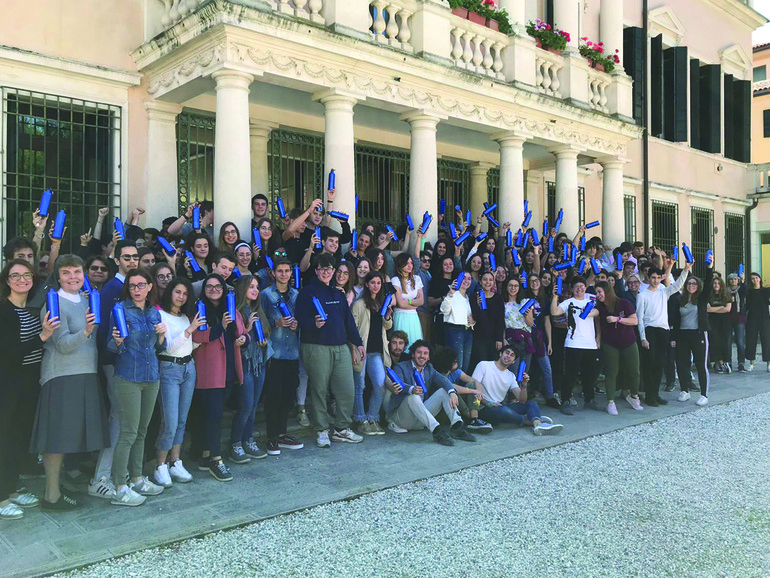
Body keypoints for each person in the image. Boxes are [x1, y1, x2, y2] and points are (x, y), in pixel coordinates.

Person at [32, 255, 108, 511]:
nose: (73, 277)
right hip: (61, 375)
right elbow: (62, 345)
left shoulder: (87, 300)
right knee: (56, 438)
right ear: (58, 276)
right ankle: (50, 495)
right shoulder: (53, 303)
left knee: (68, 437)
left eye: (77, 271)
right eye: (66, 273)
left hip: (86, 373)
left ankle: (57, 488)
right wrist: (85, 332)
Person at [0, 260, 59, 520]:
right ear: (7, 280)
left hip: (29, 382)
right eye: (15, 275)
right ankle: (2, 497)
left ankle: (11, 488)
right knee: (5, 438)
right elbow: (8, 353)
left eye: (26, 275)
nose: (21, 279)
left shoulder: (32, 310)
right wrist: (41, 338)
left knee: (18, 438)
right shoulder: (4, 312)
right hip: (9, 383)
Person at [106, 270, 167, 506]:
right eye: (132, 286)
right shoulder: (120, 310)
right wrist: (117, 341)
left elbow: (159, 349)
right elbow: (111, 346)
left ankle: (137, 478)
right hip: (128, 377)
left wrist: (161, 337)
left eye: (141, 285)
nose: (137, 289)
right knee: (129, 433)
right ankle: (120, 486)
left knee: (142, 431)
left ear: (150, 287)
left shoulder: (154, 312)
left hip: (151, 377)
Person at [295, 253, 364, 448]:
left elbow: (348, 321)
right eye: (322, 268)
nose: (326, 272)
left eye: (329, 269)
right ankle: (322, 430)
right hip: (316, 347)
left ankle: (341, 429)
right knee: (319, 390)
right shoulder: (307, 292)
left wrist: (357, 343)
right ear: (316, 271)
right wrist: (313, 323)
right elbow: (299, 319)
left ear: (334, 272)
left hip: (340, 347)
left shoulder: (338, 294)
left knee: (346, 389)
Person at [90, 240, 139, 502]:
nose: (132, 261)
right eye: (127, 257)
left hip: (131, 363)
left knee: (126, 420)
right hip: (114, 362)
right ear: (117, 260)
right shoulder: (112, 288)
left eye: (135, 257)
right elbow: (103, 329)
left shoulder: (134, 286)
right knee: (118, 420)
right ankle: (101, 478)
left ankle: (121, 474)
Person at [192, 274, 248, 481]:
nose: (214, 289)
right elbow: (197, 336)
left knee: (214, 414)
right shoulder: (200, 308)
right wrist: (220, 327)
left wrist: (245, 338)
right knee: (214, 416)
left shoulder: (230, 307)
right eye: (209, 286)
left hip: (229, 370)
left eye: (218, 286)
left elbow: (243, 332)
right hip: (210, 371)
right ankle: (217, 459)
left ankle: (206, 456)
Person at [153, 278, 203, 488]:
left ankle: (176, 461)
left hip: (188, 368)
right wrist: (190, 330)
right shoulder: (160, 315)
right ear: (170, 292)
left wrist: (197, 335)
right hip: (169, 369)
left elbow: (187, 346)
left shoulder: (184, 317)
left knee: (182, 420)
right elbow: (167, 348)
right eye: (178, 292)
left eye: (185, 293)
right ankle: (160, 465)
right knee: (170, 422)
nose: (181, 297)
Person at [385, 340, 477, 445]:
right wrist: (411, 389)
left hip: (421, 419)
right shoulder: (401, 367)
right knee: (413, 396)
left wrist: (452, 392)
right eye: (419, 352)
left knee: (444, 391)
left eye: (425, 353)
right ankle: (437, 432)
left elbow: (442, 379)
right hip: (402, 419)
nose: (422, 356)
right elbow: (399, 385)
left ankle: (457, 427)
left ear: (428, 357)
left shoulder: (429, 368)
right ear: (412, 354)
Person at [260, 259, 303, 456]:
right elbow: (259, 320)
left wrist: (297, 326)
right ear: (274, 273)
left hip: (292, 351)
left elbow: (302, 320)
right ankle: (271, 437)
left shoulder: (296, 294)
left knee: (287, 395)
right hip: (274, 352)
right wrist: (275, 322)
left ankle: (282, 433)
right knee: (273, 395)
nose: (284, 274)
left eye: (287, 271)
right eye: (280, 271)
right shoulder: (266, 295)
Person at [472, 345, 563, 435]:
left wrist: (524, 384)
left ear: (514, 361)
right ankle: (531, 421)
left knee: (531, 403)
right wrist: (488, 403)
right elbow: (474, 390)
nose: (508, 356)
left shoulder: (511, 376)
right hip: (483, 408)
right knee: (504, 410)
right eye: (507, 353)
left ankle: (537, 424)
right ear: (500, 354)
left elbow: (522, 400)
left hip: (499, 407)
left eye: (512, 355)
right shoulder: (484, 365)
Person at [636, 262, 691, 406]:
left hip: (663, 330)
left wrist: (686, 269)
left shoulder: (663, 292)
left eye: (658, 277)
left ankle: (655, 393)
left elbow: (678, 285)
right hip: (650, 330)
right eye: (652, 277)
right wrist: (643, 337)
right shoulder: (642, 295)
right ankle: (649, 395)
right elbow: (639, 318)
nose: (655, 280)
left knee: (660, 364)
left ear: (661, 278)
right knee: (650, 364)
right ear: (648, 278)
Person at [230, 275, 270, 463]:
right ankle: (236, 443)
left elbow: (265, 334)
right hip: (245, 361)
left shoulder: (257, 309)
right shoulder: (237, 311)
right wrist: (248, 327)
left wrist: (263, 340)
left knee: (254, 405)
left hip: (259, 361)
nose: (255, 290)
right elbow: (236, 337)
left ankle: (249, 440)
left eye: (257, 287)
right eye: (251, 286)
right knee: (245, 405)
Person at [550, 276, 600, 415]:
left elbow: (597, 312)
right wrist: (555, 297)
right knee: (570, 374)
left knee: (589, 374)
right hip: (573, 343)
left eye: (582, 287)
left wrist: (592, 312)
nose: (579, 289)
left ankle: (589, 400)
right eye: (576, 287)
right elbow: (554, 312)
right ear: (572, 289)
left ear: (585, 288)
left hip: (590, 344)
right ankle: (565, 400)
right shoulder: (568, 302)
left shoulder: (591, 301)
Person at [351, 271, 393, 435]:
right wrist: (354, 349)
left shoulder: (382, 302)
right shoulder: (359, 304)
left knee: (380, 385)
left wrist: (388, 316)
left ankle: (373, 418)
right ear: (367, 284)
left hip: (376, 351)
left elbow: (387, 327)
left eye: (378, 282)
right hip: (362, 349)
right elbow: (352, 329)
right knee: (359, 386)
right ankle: (360, 419)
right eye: (373, 282)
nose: (376, 285)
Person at [594, 281, 643, 414]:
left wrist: (618, 319)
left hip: (628, 341)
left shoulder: (624, 303)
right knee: (611, 372)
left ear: (607, 291)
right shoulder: (600, 307)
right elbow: (597, 320)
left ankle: (634, 396)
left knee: (634, 371)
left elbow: (634, 321)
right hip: (610, 343)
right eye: (596, 292)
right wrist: (598, 338)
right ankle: (610, 402)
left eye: (600, 292)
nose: (598, 295)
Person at [670, 263, 713, 407]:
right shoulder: (679, 300)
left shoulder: (701, 298)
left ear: (698, 286)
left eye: (694, 283)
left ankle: (704, 394)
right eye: (689, 283)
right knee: (682, 364)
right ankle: (684, 390)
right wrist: (674, 338)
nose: (691, 285)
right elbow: (676, 320)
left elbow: (708, 284)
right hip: (683, 335)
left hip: (698, 334)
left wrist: (709, 268)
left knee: (701, 364)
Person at [431, 346, 493, 432]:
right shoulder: (437, 376)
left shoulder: (456, 372)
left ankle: (474, 419)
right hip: (444, 412)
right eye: (454, 361)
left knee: (472, 385)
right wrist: (473, 391)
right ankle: (470, 418)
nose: (457, 362)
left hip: (458, 408)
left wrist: (479, 392)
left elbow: (476, 382)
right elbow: (452, 387)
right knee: (453, 393)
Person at [469, 271, 505, 368]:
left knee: (492, 364)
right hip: (478, 337)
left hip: (493, 337)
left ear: (493, 282)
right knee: (482, 364)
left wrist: (499, 339)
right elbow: (475, 317)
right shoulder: (473, 297)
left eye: (490, 280)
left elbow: (500, 320)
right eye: (485, 279)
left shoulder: (498, 298)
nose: (487, 282)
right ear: (480, 281)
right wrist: (478, 306)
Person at [390, 253, 424, 346]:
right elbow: (400, 303)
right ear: (400, 264)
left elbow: (421, 301)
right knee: (402, 344)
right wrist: (414, 304)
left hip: (413, 316)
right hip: (400, 315)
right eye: (407, 263)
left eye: (411, 263)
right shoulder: (395, 280)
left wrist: (408, 302)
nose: (410, 266)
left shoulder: (417, 279)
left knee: (415, 343)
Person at [707, 275, 733, 374]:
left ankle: (725, 361)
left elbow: (728, 309)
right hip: (713, 321)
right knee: (714, 340)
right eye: (714, 283)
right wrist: (721, 307)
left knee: (724, 341)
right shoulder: (709, 295)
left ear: (721, 285)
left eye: (718, 283)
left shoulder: (726, 295)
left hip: (725, 321)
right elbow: (708, 309)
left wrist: (715, 309)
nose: (716, 285)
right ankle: (717, 362)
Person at [744, 272, 770, 372]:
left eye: (756, 278)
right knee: (751, 341)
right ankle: (751, 363)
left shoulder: (765, 291)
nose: (755, 280)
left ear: (760, 279)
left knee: (766, 341)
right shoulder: (749, 292)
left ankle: (768, 364)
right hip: (752, 319)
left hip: (764, 319)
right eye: (752, 279)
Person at [726, 273, 747, 372]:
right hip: (728, 318)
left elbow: (745, 290)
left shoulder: (740, 290)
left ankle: (741, 363)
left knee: (740, 341)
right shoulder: (726, 291)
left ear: (738, 281)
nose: (733, 281)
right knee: (728, 341)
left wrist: (743, 280)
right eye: (731, 279)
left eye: (735, 279)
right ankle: (728, 362)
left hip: (739, 317)